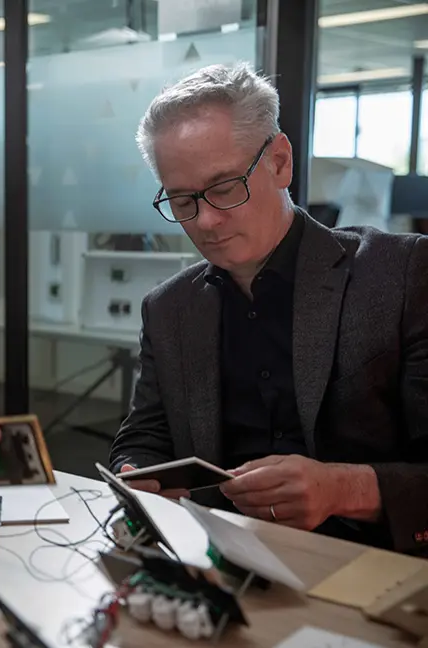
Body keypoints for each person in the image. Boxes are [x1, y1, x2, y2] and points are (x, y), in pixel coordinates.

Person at [110, 63, 428, 556]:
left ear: (280, 161)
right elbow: (145, 437)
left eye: (223, 188)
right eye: (181, 200)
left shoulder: (400, 274)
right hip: (220, 559)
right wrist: (139, 478)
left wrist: (343, 489)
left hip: (374, 565)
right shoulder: (169, 308)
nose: (207, 221)